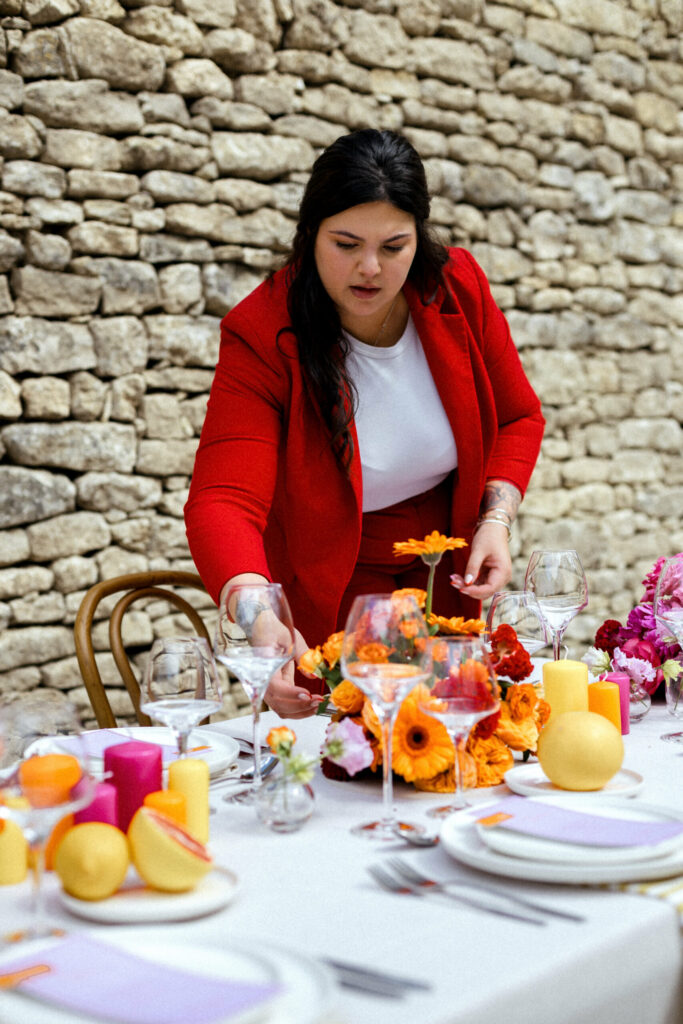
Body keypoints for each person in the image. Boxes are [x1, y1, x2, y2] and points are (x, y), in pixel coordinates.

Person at [185, 128, 545, 719]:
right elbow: (222, 500)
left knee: (454, 739)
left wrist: (496, 520)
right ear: (309, 235)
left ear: (419, 238)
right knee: (357, 752)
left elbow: (518, 417)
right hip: (337, 583)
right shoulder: (262, 331)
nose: (369, 268)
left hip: (446, 568)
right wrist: (258, 616)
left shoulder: (458, 286)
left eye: (394, 246)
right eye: (345, 243)